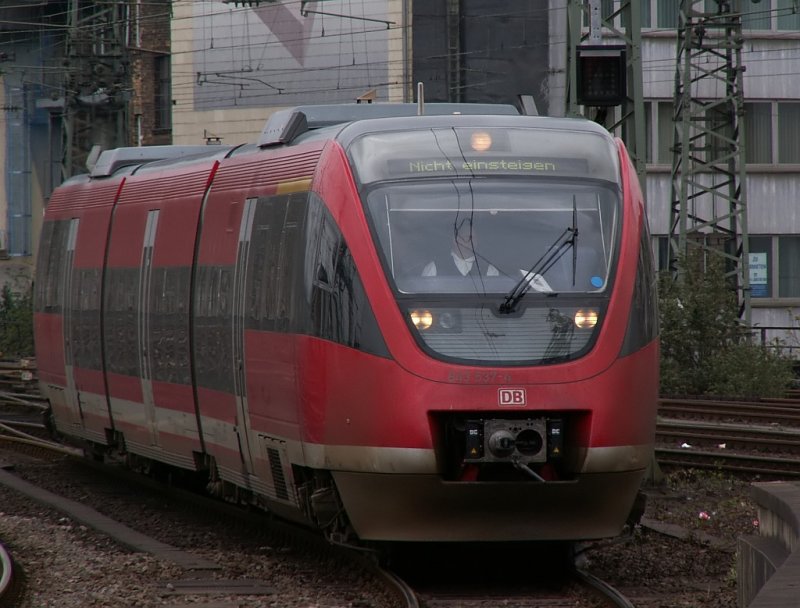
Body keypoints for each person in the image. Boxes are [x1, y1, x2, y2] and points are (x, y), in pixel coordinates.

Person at [422, 220, 499, 277]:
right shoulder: (434, 268)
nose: (472, 242)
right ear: (455, 240)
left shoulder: (489, 270)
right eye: (468, 237)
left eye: (475, 238)